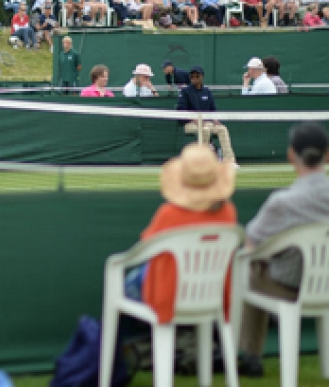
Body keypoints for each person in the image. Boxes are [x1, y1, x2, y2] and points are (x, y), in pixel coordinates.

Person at [237, 124, 329, 378]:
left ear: (291, 154)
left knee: (248, 268)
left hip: (290, 285)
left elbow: (251, 244)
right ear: (327, 154)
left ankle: (245, 354)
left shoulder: (282, 203)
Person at [124, 144, 236, 325]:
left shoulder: (168, 214)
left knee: (126, 285)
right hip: (212, 293)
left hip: (169, 296)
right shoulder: (228, 212)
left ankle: (125, 348)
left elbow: (146, 243)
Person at [176, 66, 236, 164]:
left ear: (202, 77)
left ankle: (229, 161)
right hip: (190, 124)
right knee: (205, 130)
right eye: (192, 77)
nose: (194, 79)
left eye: (197, 76)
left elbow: (212, 110)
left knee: (223, 129)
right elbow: (181, 110)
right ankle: (202, 161)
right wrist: (193, 119)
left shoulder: (207, 92)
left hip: (208, 122)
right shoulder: (185, 92)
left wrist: (215, 120)